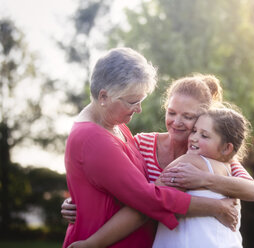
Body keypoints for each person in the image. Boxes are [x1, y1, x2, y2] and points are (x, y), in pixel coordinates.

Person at [62, 47, 239, 248]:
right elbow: (148, 198)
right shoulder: (93, 138)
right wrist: (215, 207)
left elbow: (249, 187)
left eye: (141, 100)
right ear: (104, 97)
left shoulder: (117, 126)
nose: (139, 109)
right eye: (132, 101)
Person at [68, 104, 252, 248]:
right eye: (195, 131)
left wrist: (94, 243)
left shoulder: (189, 162)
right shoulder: (230, 170)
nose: (194, 138)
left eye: (204, 135)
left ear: (226, 148)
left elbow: (146, 205)